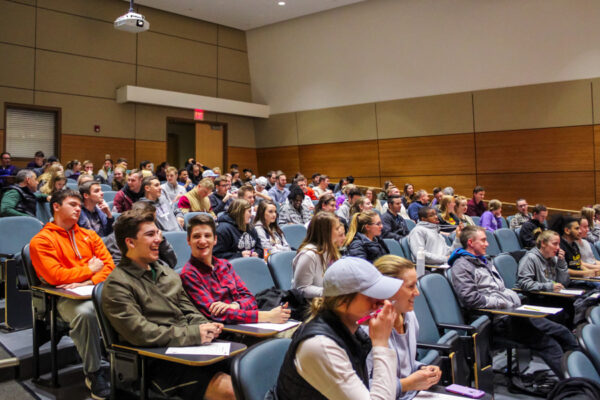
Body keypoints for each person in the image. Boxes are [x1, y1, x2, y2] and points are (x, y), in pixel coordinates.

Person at [101, 210, 234, 400]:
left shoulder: (166, 272)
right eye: (150, 235)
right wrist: (194, 334)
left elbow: (188, 310)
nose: (159, 240)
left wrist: (206, 326)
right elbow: (141, 333)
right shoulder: (117, 284)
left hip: (190, 350)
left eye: (157, 233)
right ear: (130, 242)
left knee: (249, 371)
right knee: (231, 390)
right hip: (157, 361)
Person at [451, 226, 578, 379]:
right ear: (470, 242)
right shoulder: (461, 266)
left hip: (513, 313)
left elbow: (500, 289)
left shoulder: (485, 261)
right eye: (483, 240)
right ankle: (577, 384)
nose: (487, 244)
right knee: (549, 344)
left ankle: (582, 369)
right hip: (495, 320)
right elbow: (471, 299)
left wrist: (513, 300)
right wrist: (504, 303)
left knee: (562, 332)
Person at [270, 257, 400, 400]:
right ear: (342, 302)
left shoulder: (351, 330)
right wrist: (381, 343)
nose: (381, 303)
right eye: (372, 296)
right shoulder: (320, 345)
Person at [30, 190, 114, 399]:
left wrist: (87, 280)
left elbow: (109, 266)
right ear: (56, 207)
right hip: (61, 299)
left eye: (79, 205)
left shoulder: (89, 235)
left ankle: (127, 362)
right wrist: (89, 270)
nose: (78, 208)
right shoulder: (41, 241)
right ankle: (94, 372)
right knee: (86, 313)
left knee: (128, 298)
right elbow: (56, 276)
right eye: (72, 204)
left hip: (93, 290)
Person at [180, 214, 291, 324]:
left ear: (215, 240)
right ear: (188, 240)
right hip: (231, 331)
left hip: (251, 322)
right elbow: (217, 315)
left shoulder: (224, 265)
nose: (203, 241)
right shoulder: (189, 274)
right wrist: (267, 316)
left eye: (207, 236)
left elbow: (251, 299)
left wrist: (234, 305)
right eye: (196, 236)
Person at [367, 255, 442, 399]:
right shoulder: (369, 329)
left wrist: (421, 368)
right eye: (410, 286)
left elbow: (403, 364)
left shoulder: (410, 316)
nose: (417, 293)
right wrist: (406, 384)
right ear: (388, 290)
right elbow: (363, 389)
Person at [102, 201, 176, 268]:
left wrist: (162, 241)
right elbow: (120, 269)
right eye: (148, 221)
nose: (153, 225)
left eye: (153, 221)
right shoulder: (115, 239)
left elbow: (172, 263)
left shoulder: (155, 235)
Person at [292, 212, 344, 299]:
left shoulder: (331, 249)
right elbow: (301, 288)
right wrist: (329, 292)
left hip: (325, 301)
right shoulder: (309, 255)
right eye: (337, 228)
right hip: (307, 306)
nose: (340, 231)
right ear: (326, 232)